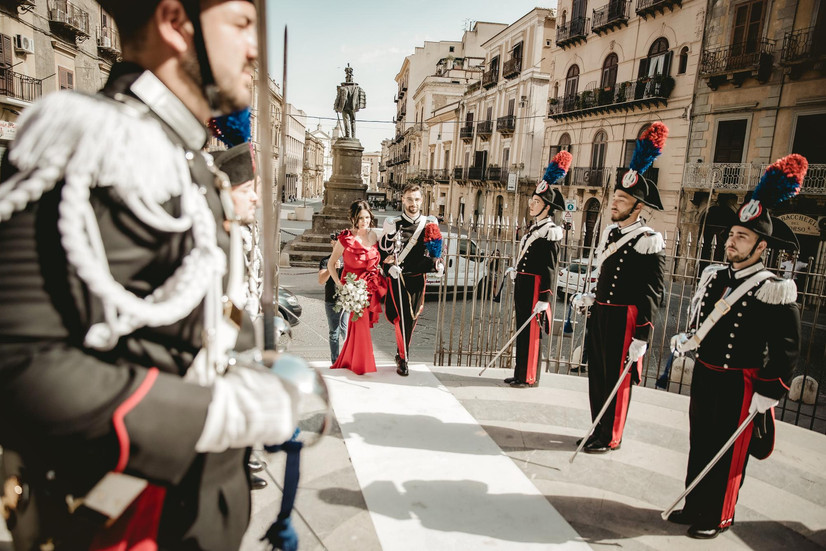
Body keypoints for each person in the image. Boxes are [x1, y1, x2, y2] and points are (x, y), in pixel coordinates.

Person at [0, 1, 299, 549]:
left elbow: (192, 316)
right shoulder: (97, 140)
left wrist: (258, 366)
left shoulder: (180, 156)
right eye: (240, 24)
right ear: (174, 22)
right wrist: (213, 414)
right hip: (120, 521)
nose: (254, 49)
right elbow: (18, 360)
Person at [668, 154, 805, 539]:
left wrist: (770, 391)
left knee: (729, 452)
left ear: (761, 246)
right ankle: (695, 503)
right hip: (706, 375)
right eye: (732, 234)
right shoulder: (715, 277)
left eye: (741, 237)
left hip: (740, 383)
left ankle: (718, 515)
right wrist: (688, 339)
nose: (731, 241)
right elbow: (702, 323)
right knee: (700, 443)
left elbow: (787, 349)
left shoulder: (774, 288)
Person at [572, 122, 668, 454]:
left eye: (622, 200)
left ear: (637, 206)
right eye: (615, 198)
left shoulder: (649, 240)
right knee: (597, 375)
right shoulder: (611, 234)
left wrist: (642, 336)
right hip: (602, 315)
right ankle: (597, 428)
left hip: (626, 320)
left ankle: (611, 435)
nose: (614, 204)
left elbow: (652, 293)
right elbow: (602, 275)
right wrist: (591, 297)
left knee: (617, 378)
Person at [502, 151, 569, 388]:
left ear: (547, 207)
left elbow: (550, 268)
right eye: (532, 200)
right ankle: (520, 373)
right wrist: (516, 270)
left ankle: (529, 376)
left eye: (537, 202)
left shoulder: (550, 232)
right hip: (524, 284)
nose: (531, 204)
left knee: (531, 332)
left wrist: (545, 299)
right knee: (522, 329)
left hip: (535, 289)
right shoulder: (535, 229)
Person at [380, 183, 443, 376]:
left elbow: (434, 252)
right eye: (409, 199)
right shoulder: (393, 223)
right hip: (398, 277)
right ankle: (403, 358)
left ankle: (401, 353)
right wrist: (388, 268)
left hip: (418, 278)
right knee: (403, 317)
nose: (413, 203)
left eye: (416, 199)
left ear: (421, 200)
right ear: (403, 200)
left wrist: (437, 265)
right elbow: (382, 252)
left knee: (412, 318)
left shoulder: (429, 223)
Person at [329, 200, 387, 375]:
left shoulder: (374, 236)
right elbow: (331, 264)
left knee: (356, 327)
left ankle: (350, 360)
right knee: (359, 325)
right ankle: (362, 365)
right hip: (354, 290)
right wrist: (339, 284)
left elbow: (380, 258)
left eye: (367, 217)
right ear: (353, 218)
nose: (364, 221)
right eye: (361, 218)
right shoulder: (345, 239)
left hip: (371, 288)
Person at [320, 232, 348, 363]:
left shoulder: (347, 259)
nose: (337, 244)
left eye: (340, 242)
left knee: (345, 330)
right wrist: (330, 269)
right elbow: (321, 280)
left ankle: (348, 357)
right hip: (331, 300)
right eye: (335, 241)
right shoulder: (325, 261)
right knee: (333, 333)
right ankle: (335, 360)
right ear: (332, 243)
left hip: (346, 300)